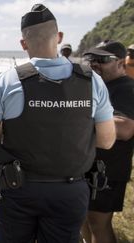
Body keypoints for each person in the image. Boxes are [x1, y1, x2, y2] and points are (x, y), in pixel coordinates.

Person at [0, 4, 116, 243]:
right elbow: (106, 140)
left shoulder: (8, 80)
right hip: (71, 191)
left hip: (19, 189)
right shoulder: (92, 80)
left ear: (23, 43)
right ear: (59, 37)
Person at [81, 40, 134, 243]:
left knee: (99, 224)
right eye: (91, 59)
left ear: (121, 63)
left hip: (108, 170)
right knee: (84, 219)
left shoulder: (125, 88)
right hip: (91, 166)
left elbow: (124, 128)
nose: (94, 64)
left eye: (102, 59)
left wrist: (76, 119)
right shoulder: (101, 86)